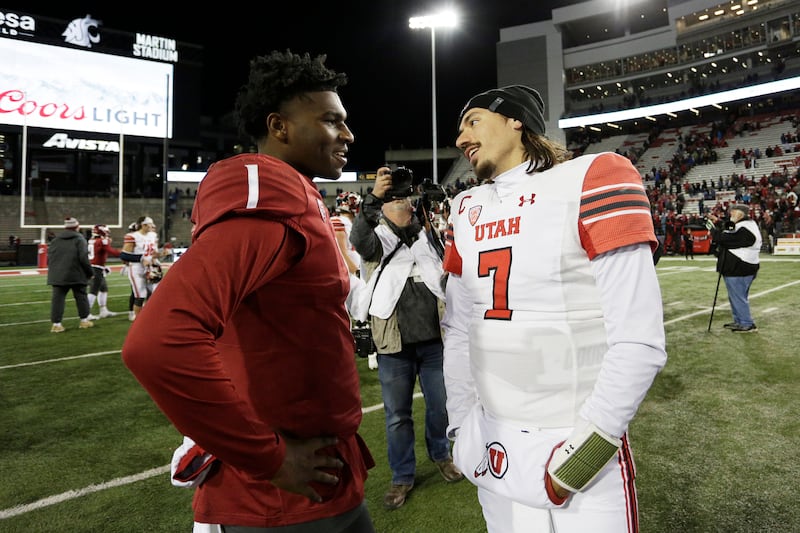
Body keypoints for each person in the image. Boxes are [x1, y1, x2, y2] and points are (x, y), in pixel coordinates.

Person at [121, 49, 375, 532]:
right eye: (330, 120)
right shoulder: (269, 198)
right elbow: (157, 341)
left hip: (321, 480)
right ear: (279, 126)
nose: (347, 133)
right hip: (277, 500)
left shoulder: (297, 193)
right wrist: (269, 458)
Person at [441, 85, 667, 533]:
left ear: (516, 120)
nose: (460, 139)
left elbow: (639, 339)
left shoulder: (594, 175)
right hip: (492, 440)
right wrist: (460, 426)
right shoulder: (465, 206)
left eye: (473, 121)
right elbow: (460, 329)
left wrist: (584, 455)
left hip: (573, 439)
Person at [349, 165, 463, 511]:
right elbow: (359, 239)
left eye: (407, 199)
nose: (406, 204)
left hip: (433, 341)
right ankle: (402, 475)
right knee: (397, 414)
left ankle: (441, 454)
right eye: (396, 200)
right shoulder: (375, 240)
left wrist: (435, 207)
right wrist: (374, 197)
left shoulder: (426, 236)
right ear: (382, 208)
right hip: (393, 344)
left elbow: (448, 265)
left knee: (440, 405)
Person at [706, 204, 761, 333]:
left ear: (740, 214)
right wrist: (718, 221)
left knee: (738, 297)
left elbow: (724, 238)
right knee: (736, 296)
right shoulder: (746, 225)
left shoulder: (745, 229)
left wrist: (713, 230)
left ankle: (746, 323)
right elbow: (730, 228)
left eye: (733, 212)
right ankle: (740, 321)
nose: (730, 214)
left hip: (739, 268)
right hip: (741, 267)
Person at [47, 217, 95, 332]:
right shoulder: (80, 239)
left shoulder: (55, 240)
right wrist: (90, 273)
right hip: (76, 274)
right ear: (77, 227)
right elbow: (83, 258)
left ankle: (56, 324)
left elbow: (49, 259)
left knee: (57, 299)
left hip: (57, 274)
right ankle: (84, 321)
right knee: (81, 297)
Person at [119, 216, 164, 319]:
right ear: (143, 225)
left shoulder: (152, 235)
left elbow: (152, 253)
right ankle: (138, 320)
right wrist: (141, 259)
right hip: (136, 268)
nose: (152, 226)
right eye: (150, 224)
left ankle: (149, 316)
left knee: (154, 293)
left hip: (150, 267)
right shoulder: (132, 236)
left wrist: (161, 254)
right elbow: (124, 255)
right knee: (140, 295)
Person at [87, 224, 122, 319]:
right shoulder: (101, 241)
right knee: (93, 290)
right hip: (96, 268)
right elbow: (111, 252)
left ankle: (103, 310)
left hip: (96, 267)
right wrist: (124, 253)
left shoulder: (92, 240)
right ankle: (86, 314)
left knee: (103, 289)